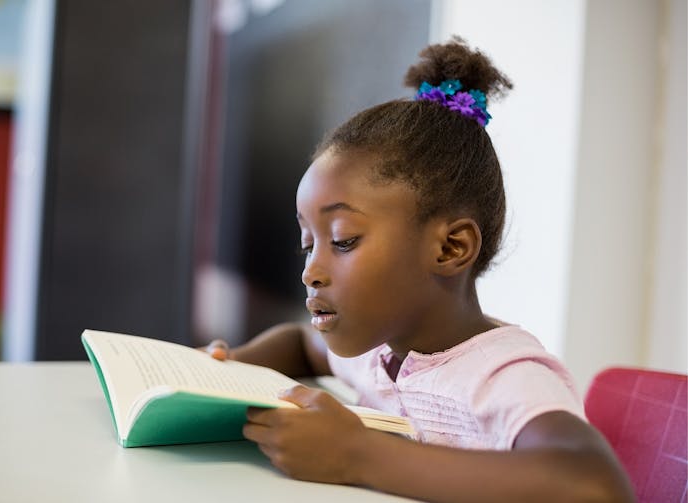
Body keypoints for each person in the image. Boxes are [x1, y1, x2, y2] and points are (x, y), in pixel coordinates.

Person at [206, 37, 635, 502]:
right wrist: (226, 369)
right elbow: (301, 344)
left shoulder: (501, 376)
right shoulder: (374, 352)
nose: (311, 270)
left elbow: (596, 485)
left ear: (451, 248)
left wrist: (356, 454)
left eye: (344, 240)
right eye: (308, 245)